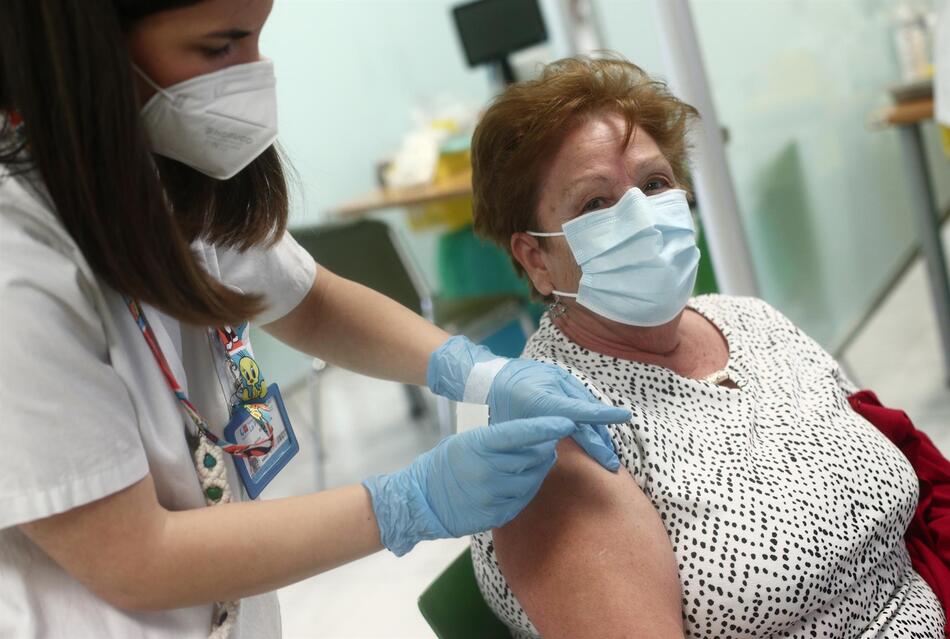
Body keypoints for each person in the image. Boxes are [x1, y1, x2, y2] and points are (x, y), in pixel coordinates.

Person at [0, 2, 633, 638]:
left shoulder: (159, 170)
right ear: (84, 52)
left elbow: (312, 303)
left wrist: (478, 373)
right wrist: (408, 501)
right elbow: (135, 556)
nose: (254, 74)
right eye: (220, 47)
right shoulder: (18, 264)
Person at [467, 56, 946, 637]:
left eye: (654, 184)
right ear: (535, 258)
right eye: (596, 204)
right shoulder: (554, 427)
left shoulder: (747, 320)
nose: (642, 216)